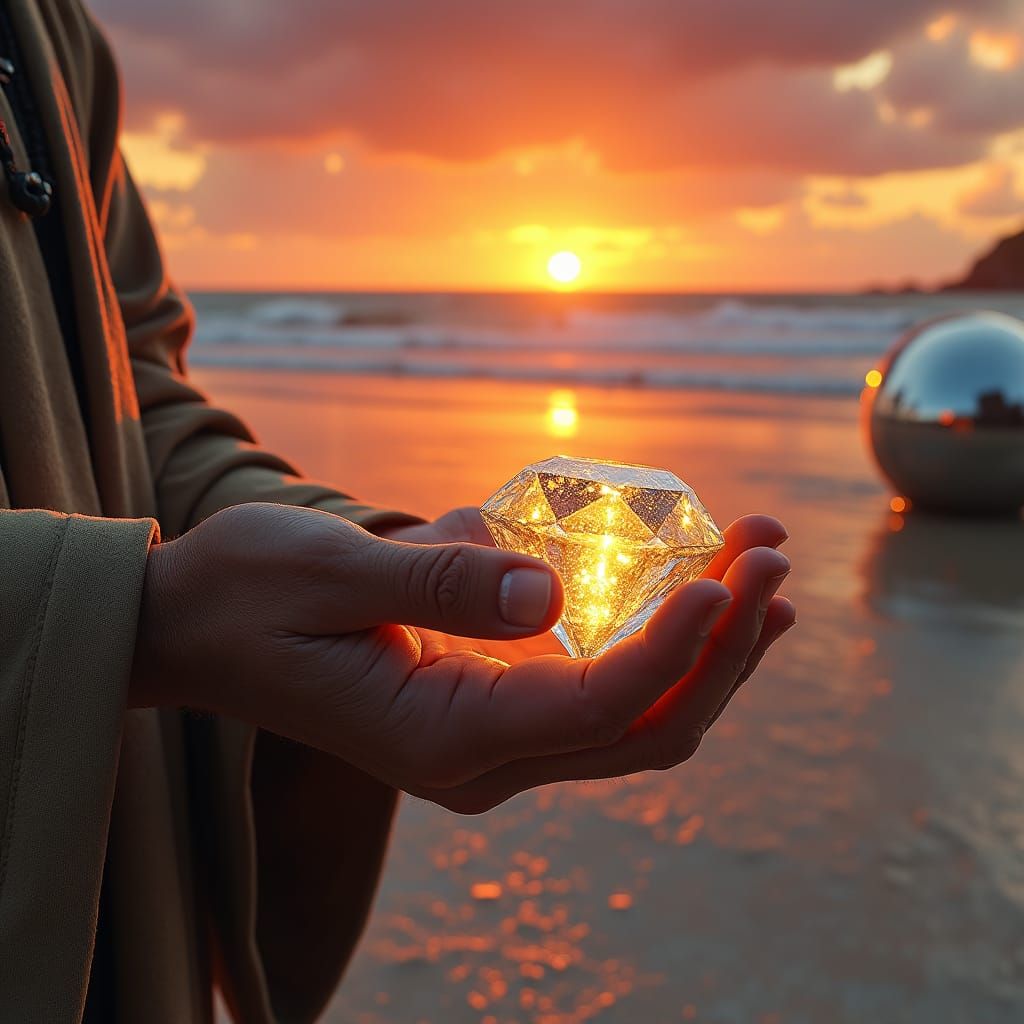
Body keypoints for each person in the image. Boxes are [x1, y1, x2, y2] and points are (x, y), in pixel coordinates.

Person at [0, 1, 796, 1021]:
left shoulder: (50, 28)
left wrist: (369, 566)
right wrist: (148, 620)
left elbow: (128, 390)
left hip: (113, 887)